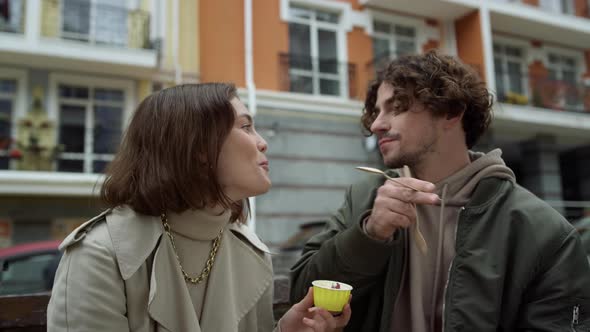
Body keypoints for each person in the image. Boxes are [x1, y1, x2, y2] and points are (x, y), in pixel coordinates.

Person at [290, 51, 590, 331]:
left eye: (397, 107)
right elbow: (301, 294)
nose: (377, 124)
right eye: (376, 111)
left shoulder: (544, 232)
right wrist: (369, 234)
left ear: (451, 112)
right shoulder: (365, 198)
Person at [47, 83, 351, 332]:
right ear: (198, 149)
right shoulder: (101, 256)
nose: (262, 143)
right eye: (245, 127)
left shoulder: (251, 253)